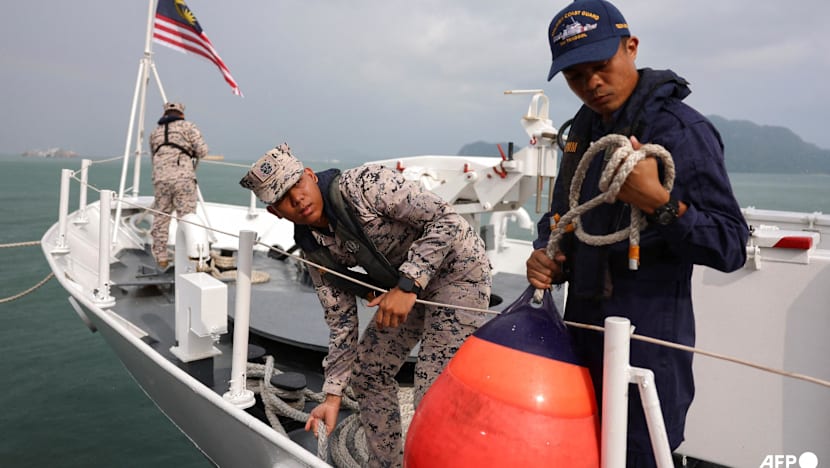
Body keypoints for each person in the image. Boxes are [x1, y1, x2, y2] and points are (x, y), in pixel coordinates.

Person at [526, 1, 750, 466]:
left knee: (640, 455)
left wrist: (659, 203)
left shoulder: (683, 132)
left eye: (600, 66)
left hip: (647, 346)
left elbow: (730, 245)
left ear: (631, 47)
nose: (591, 83)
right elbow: (564, 216)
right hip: (581, 338)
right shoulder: (583, 129)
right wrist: (548, 254)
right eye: (575, 75)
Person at [239, 143, 492, 468]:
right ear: (275, 212)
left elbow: (447, 220)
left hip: (458, 271)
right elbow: (341, 323)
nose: (297, 199)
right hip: (407, 289)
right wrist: (332, 396)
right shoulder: (314, 250)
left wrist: (408, 283)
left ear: (310, 175)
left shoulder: (365, 185)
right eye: (283, 198)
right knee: (368, 373)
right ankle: (385, 463)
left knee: (433, 391)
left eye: (297, 184)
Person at [148, 102, 208, 269]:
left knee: (161, 217)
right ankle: (189, 260)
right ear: (181, 113)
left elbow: (153, 156)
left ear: (165, 113)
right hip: (183, 179)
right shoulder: (188, 127)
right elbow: (202, 151)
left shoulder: (155, 132)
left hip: (161, 179)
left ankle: (161, 258)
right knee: (187, 218)